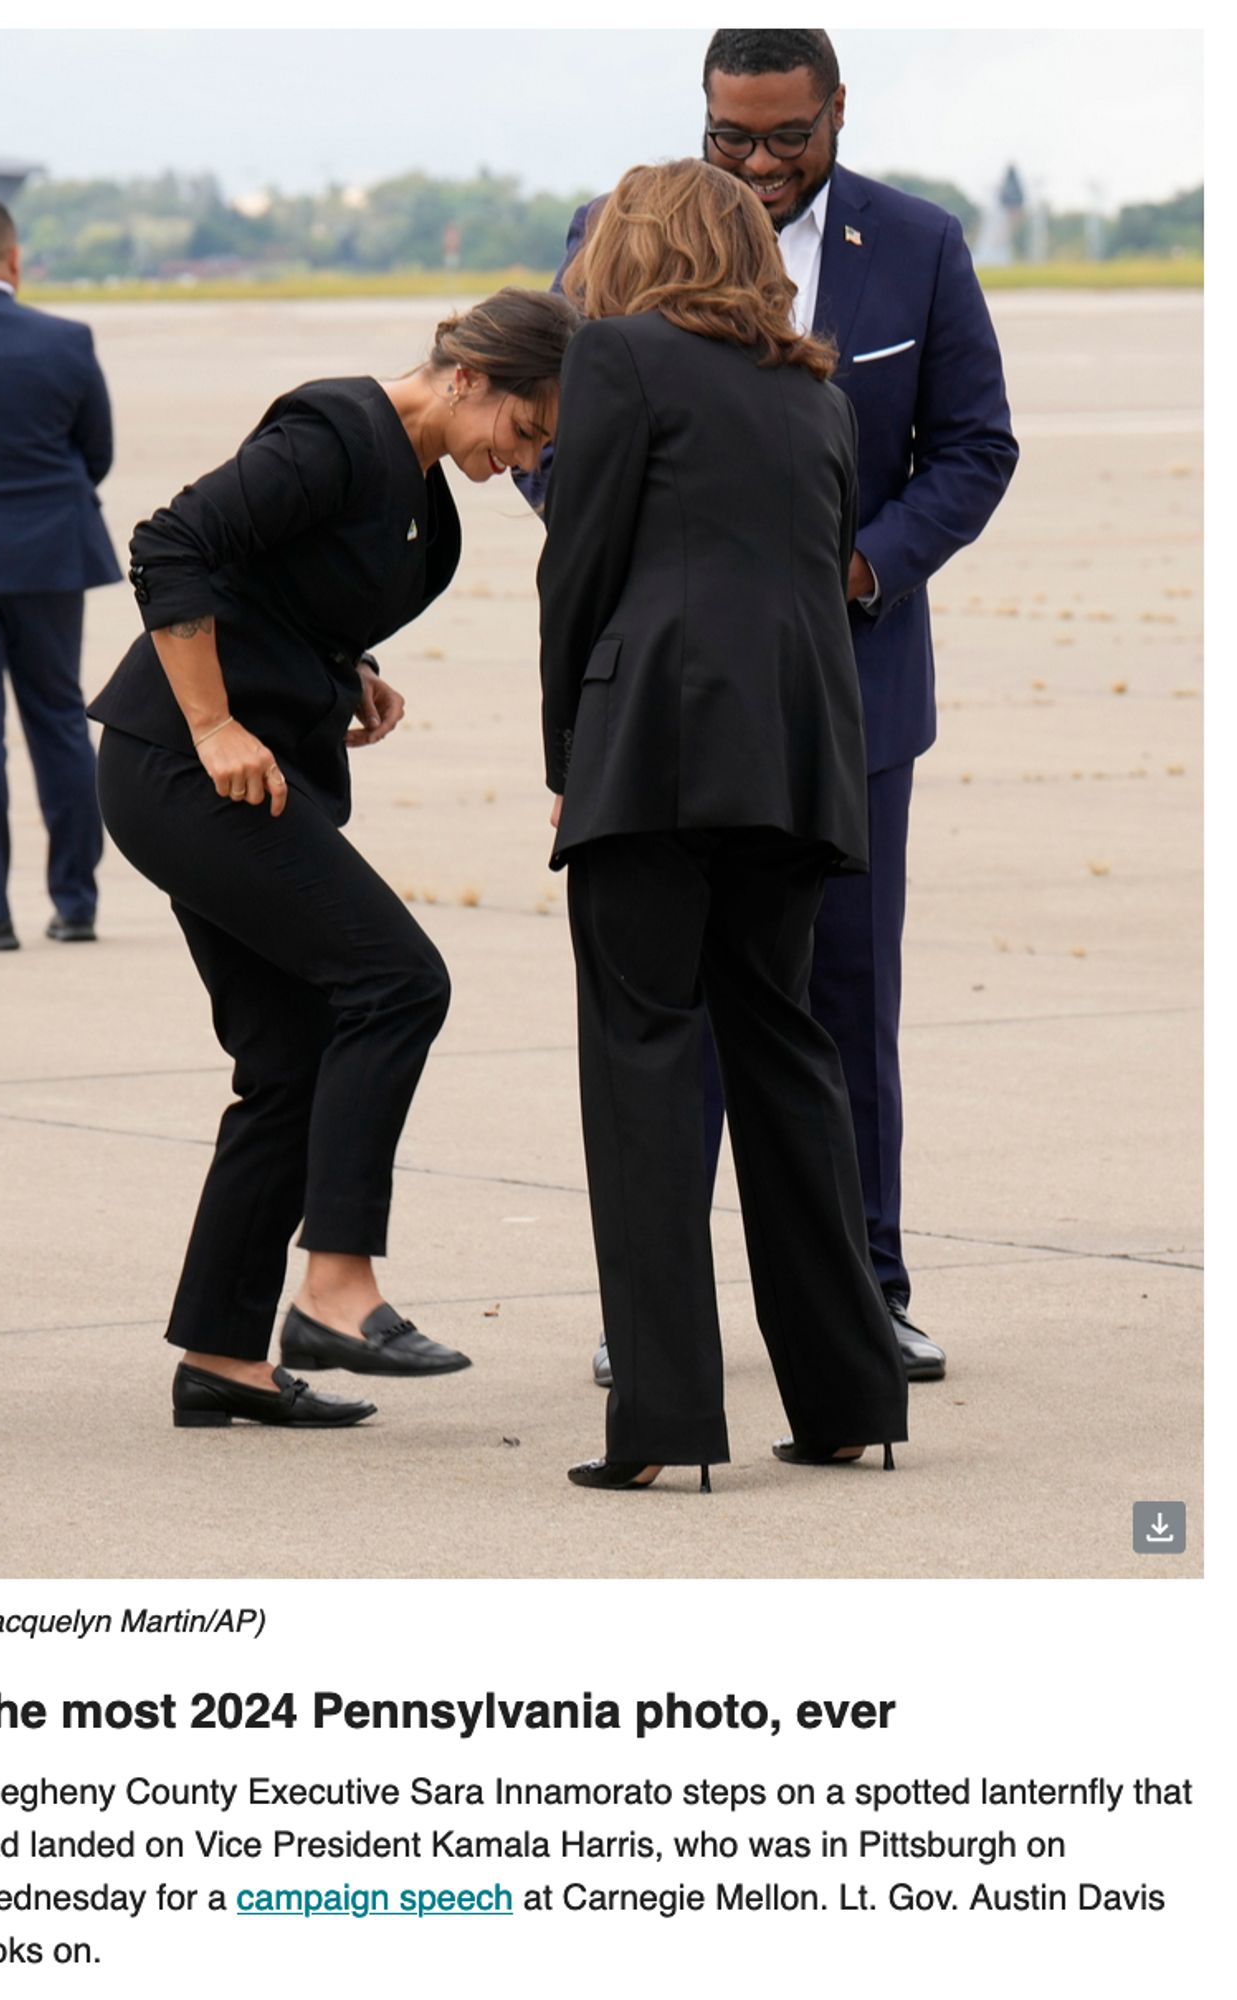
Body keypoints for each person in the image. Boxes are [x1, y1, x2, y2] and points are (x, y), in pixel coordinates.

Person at [525, 28, 1019, 1389]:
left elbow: (977, 445)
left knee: (840, 1005)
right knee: (663, 1013)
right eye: (727, 137)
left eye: (782, 139)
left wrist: (867, 562)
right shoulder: (610, 229)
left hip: (846, 690)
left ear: (837, 113)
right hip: (664, 696)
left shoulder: (913, 245)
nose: (753, 166)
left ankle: (869, 1290)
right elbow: (556, 447)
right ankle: (657, 1314)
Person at [88, 289, 579, 1430]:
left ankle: (221, 1351)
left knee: (291, 1051)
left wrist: (340, 667)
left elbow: (282, 587)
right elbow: (172, 545)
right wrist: (214, 721)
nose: (527, 459)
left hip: (241, 771)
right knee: (399, 981)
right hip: (182, 765)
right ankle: (336, 1284)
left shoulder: (426, 502)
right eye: (526, 429)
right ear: (470, 376)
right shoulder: (336, 433)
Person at [539, 159, 909, 1491]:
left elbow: (576, 567)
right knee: (786, 1060)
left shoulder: (620, 358)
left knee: (642, 1066)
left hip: (655, 750)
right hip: (799, 758)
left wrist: (567, 755)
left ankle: (665, 1428)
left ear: (635, 248)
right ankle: (848, 1400)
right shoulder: (816, 389)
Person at [0, 197, 121, 951]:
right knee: (58, 720)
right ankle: (76, 901)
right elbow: (97, 453)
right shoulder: (66, 339)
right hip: (50, 555)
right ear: (14, 262)